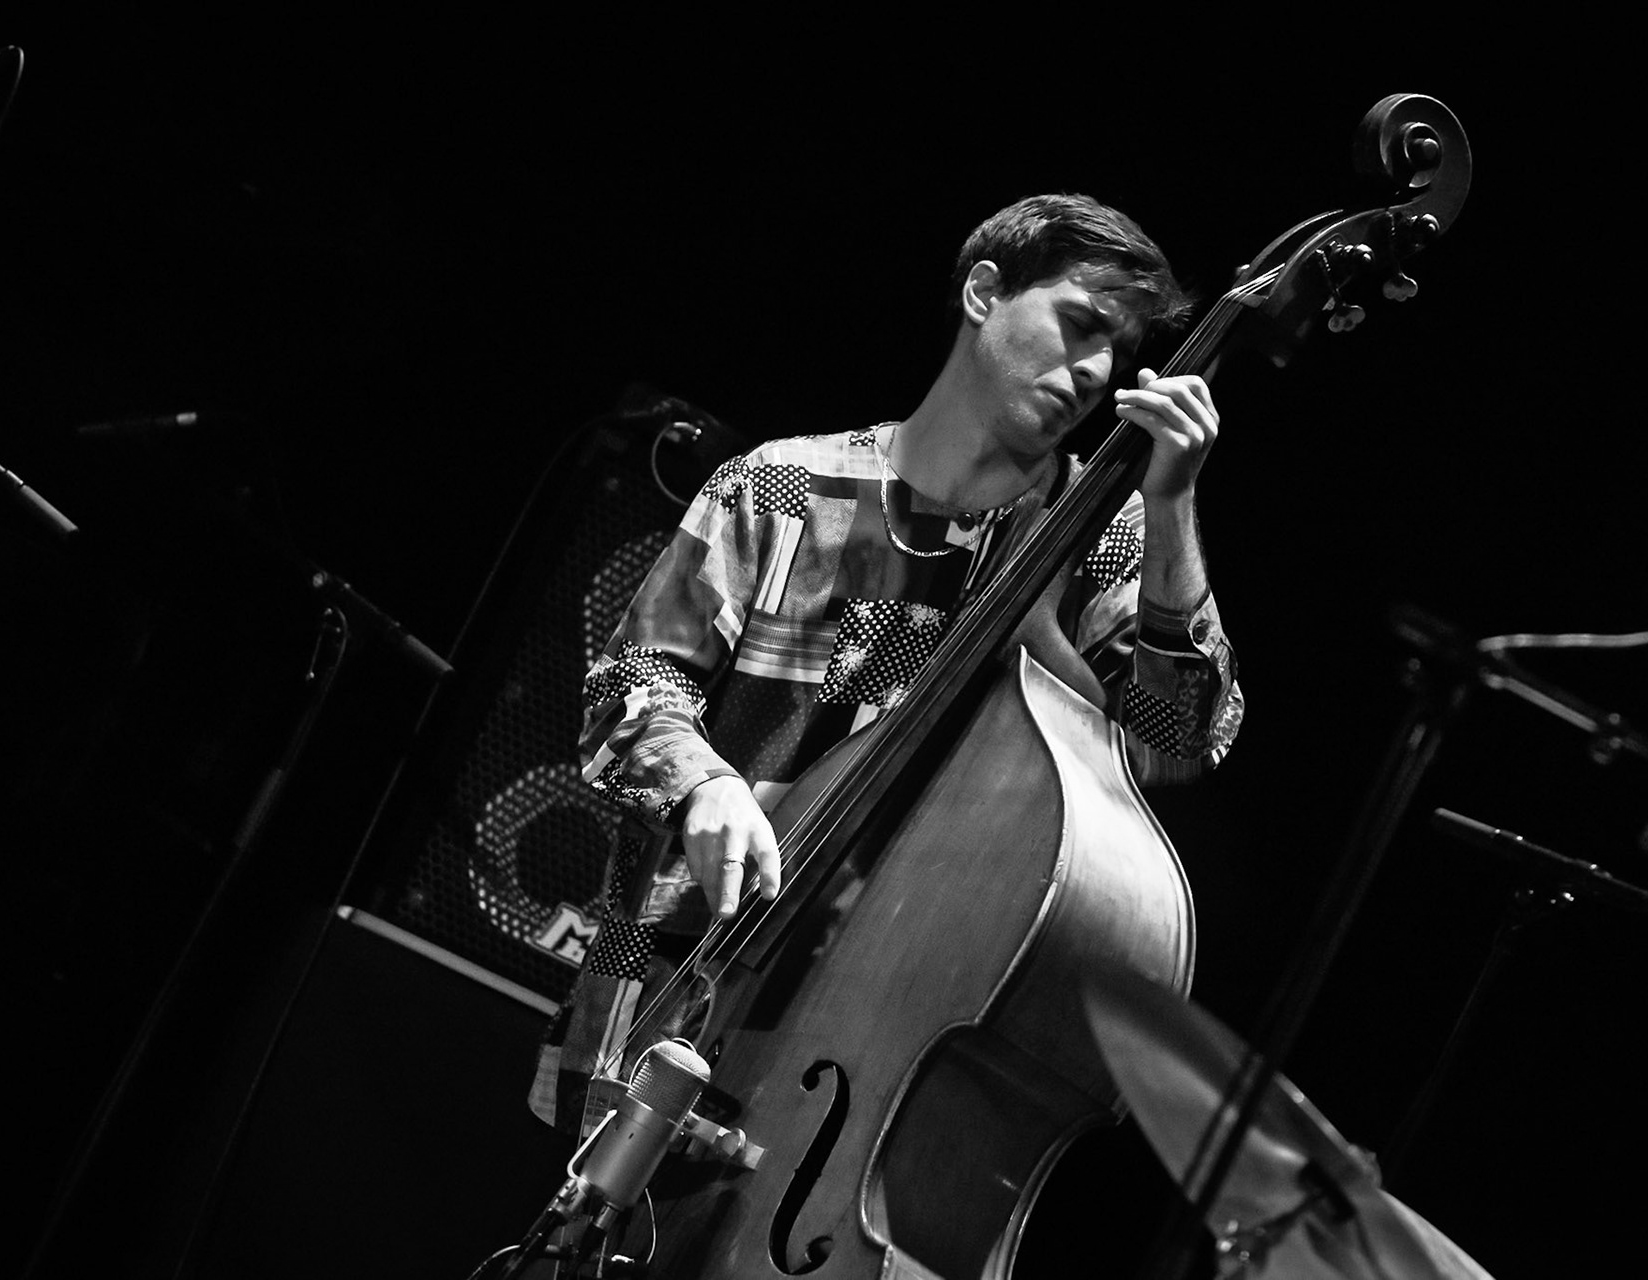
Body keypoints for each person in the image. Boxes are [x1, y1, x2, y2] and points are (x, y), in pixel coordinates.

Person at [530, 192, 1243, 1131]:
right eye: (1079, 325)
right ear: (986, 292)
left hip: (869, 1051)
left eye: (1119, 351)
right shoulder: (780, 485)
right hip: (653, 992)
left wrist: (1174, 504)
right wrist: (704, 784)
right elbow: (632, 681)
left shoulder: (1105, 541)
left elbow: (1181, 744)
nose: (1098, 371)